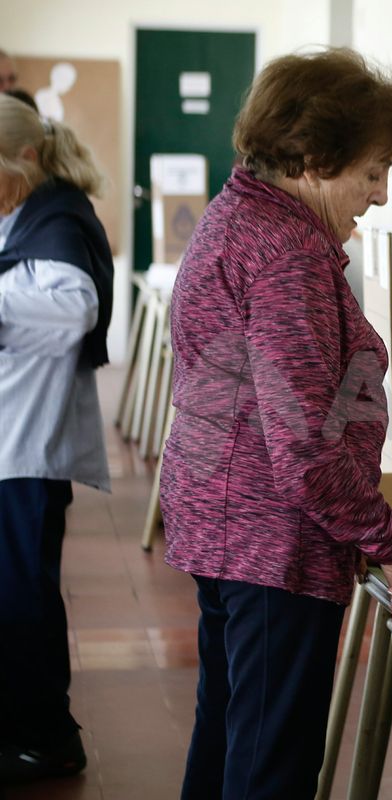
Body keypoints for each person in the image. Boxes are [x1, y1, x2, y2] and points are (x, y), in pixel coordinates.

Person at [160, 48, 392, 799]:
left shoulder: (240, 218)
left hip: (227, 526)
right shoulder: (286, 255)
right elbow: (307, 450)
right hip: (268, 541)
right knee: (268, 765)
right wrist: (391, 540)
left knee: (229, 735)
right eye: (373, 171)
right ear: (315, 159)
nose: (380, 196)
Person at [0, 95, 113, 783]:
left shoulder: (60, 218)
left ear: (28, 158)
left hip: (26, 448)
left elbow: (75, 309)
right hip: (16, 439)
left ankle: (44, 735)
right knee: (16, 590)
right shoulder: (32, 212)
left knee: (23, 594)